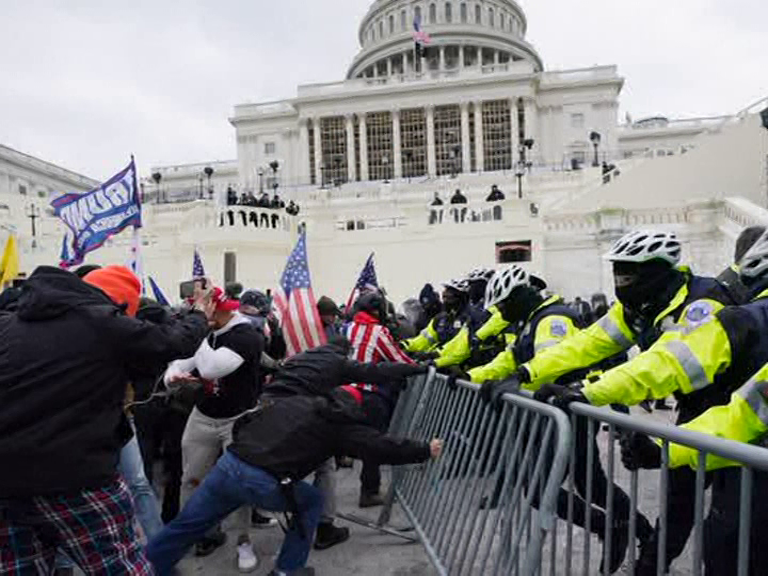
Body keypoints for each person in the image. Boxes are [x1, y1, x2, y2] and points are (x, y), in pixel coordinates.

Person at [502, 228, 742, 573]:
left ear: (657, 271)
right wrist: (526, 372)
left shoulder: (702, 304)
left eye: (627, 274)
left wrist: (588, 390)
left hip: (738, 414)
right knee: (678, 504)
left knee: (729, 526)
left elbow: (666, 365)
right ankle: (648, 566)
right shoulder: (640, 307)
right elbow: (586, 344)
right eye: (617, 273)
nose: (620, 282)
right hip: (696, 412)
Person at [145, 338, 440, 576]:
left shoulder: (297, 391)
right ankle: (288, 569)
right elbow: (380, 447)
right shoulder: (342, 425)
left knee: (188, 524)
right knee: (312, 500)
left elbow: (246, 422)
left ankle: (146, 567)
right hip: (263, 480)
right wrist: (425, 449)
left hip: (230, 465)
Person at [0, 265, 211, 575]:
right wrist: (200, 313)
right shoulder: (101, 323)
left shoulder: (8, 324)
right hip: (75, 478)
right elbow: (173, 341)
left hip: (7, 481)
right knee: (119, 566)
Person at [167, 286, 266, 571]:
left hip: (237, 419)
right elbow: (180, 360)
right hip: (204, 414)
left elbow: (210, 368)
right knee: (191, 479)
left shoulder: (246, 335)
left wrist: (198, 333)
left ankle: (243, 541)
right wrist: (173, 376)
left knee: (240, 485)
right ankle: (196, 535)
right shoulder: (208, 330)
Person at [345, 291, 418, 507]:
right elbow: (397, 359)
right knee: (373, 443)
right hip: (369, 394)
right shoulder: (378, 331)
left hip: (345, 391)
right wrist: (419, 366)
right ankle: (370, 491)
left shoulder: (348, 328)